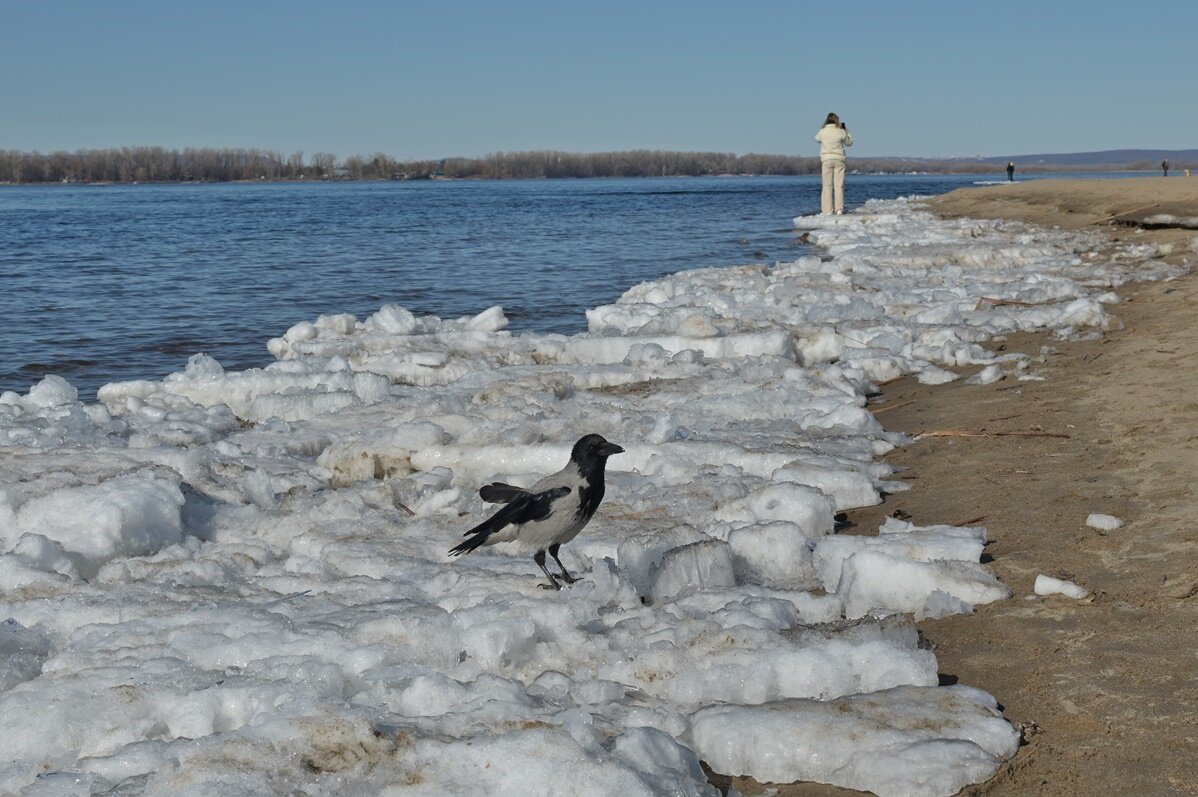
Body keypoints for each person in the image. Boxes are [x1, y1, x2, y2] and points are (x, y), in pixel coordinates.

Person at [815, 112, 853, 215]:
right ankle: (839, 209)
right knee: (839, 186)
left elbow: (817, 139)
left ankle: (827, 210)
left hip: (827, 160)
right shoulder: (840, 131)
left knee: (827, 186)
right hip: (839, 159)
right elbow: (849, 143)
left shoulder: (822, 131)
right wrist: (847, 131)